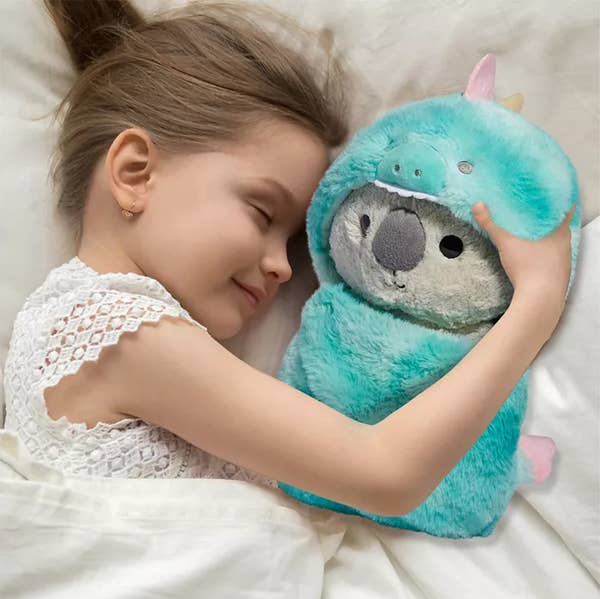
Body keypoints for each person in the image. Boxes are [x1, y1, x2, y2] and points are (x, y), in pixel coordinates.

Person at [2, 0, 576, 516]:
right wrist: (536, 305)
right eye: (261, 212)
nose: (282, 266)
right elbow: (385, 474)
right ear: (135, 173)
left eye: (292, 242)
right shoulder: (117, 332)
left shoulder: (63, 322)